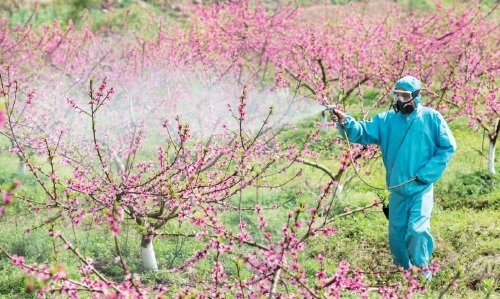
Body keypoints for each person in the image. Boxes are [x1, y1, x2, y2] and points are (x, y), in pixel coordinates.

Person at [329, 76, 456, 280]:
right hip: (397, 190)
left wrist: (426, 174)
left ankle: (423, 277)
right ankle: (406, 279)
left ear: (416, 96)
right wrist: (346, 121)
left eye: (405, 96)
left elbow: (448, 147)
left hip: (420, 189)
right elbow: (361, 132)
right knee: (397, 240)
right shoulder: (385, 121)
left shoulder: (432, 118)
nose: (400, 100)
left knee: (417, 231)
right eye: (397, 95)